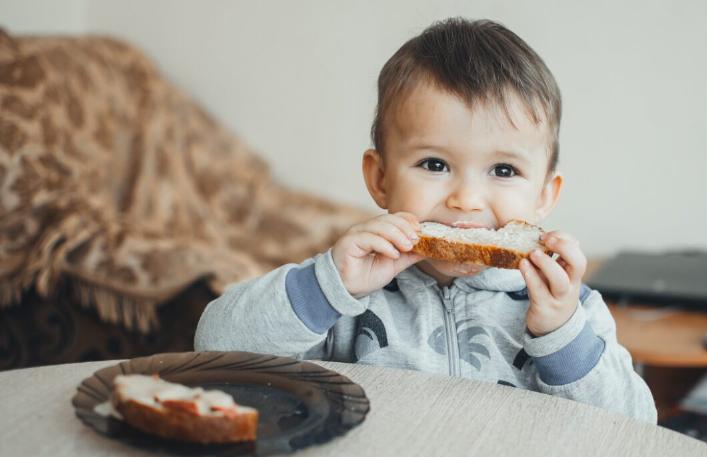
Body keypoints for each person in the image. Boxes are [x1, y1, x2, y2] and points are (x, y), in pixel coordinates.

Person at [195, 17, 657, 423]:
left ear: (543, 196)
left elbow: (635, 427)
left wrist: (561, 333)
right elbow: (213, 347)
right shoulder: (347, 295)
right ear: (379, 179)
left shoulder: (571, 311)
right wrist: (326, 286)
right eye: (434, 164)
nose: (466, 199)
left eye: (503, 170)